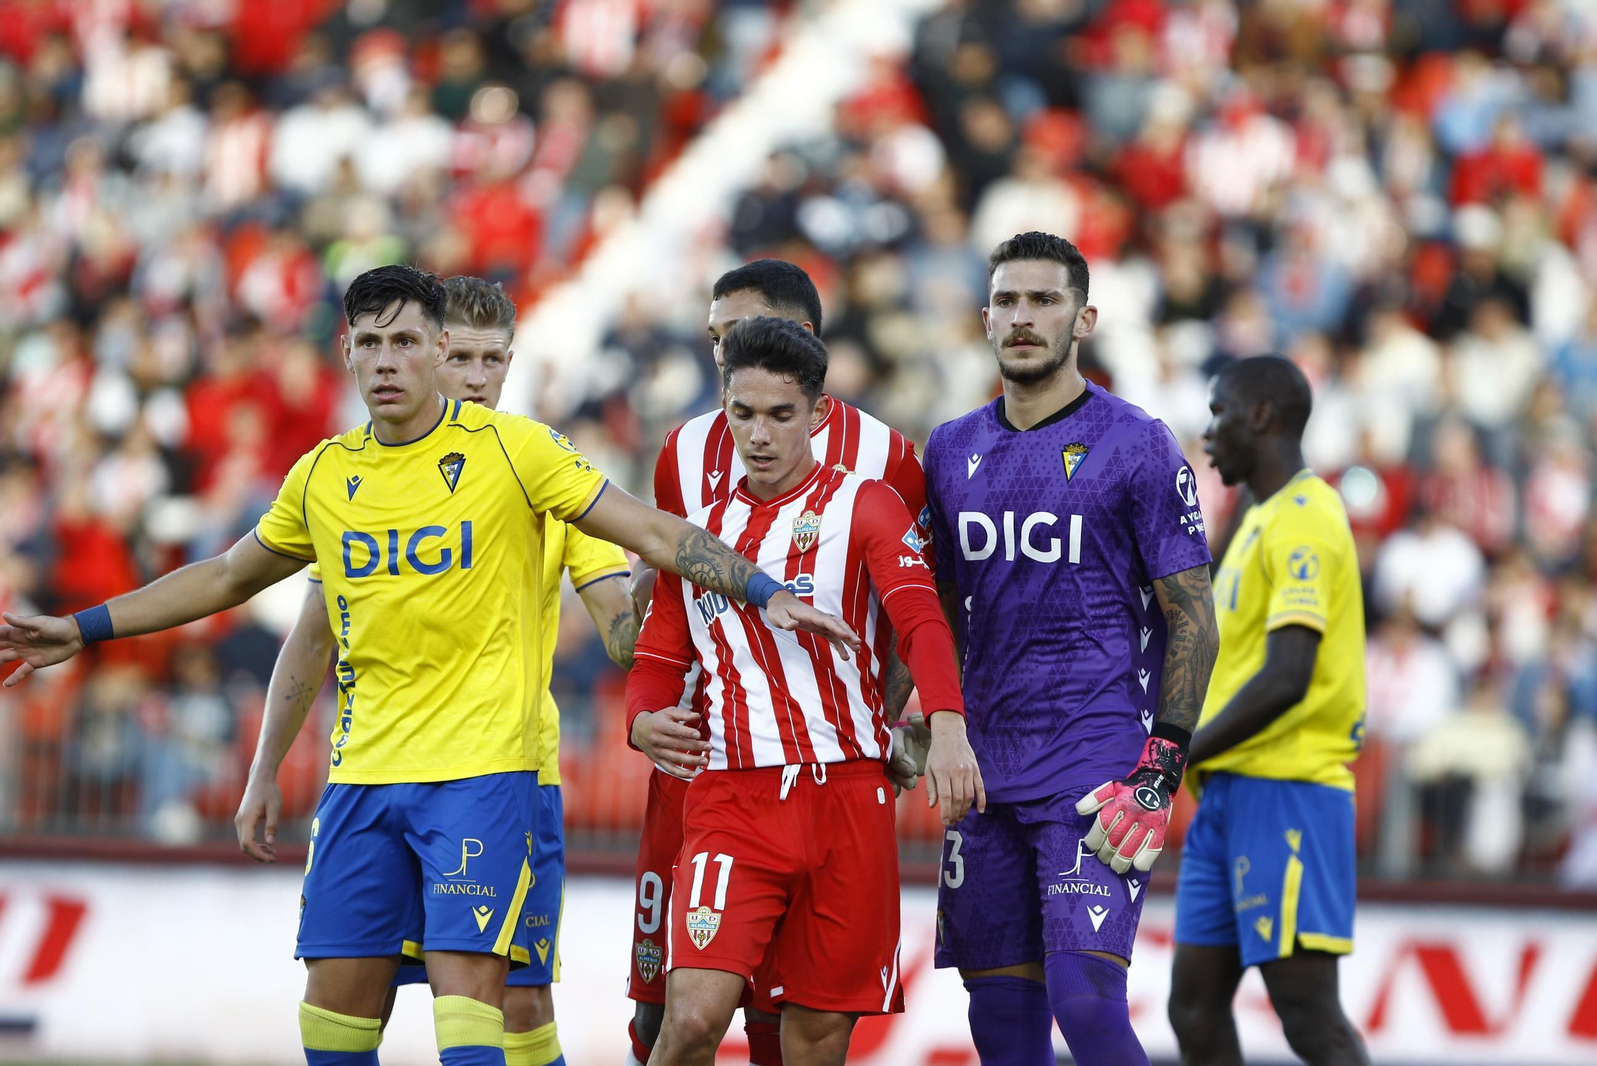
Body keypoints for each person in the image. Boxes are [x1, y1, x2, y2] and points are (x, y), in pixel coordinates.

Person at [0, 265, 858, 1066]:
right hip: (362, 778)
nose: (386, 361)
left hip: (488, 775)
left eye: (405, 342)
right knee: (331, 1017)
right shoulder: (325, 476)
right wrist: (86, 629)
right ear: (345, 353)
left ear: (435, 351)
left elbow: (651, 535)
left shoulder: (520, 453)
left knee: (486, 1010)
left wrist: (755, 587)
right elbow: (232, 579)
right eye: (368, 343)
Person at [233, 275, 633, 1066]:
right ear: (434, 354)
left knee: (517, 1000)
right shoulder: (356, 480)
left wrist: (662, 592)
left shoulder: (539, 468)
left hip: (508, 770)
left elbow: (619, 628)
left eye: (497, 362)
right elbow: (311, 638)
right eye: (466, 359)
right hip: (379, 773)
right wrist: (264, 766)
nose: (480, 379)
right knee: (353, 993)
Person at [625, 316, 984, 1066]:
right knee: (689, 1020)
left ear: (818, 414)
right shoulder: (700, 532)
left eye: (781, 415)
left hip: (847, 797)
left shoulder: (867, 505)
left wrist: (947, 726)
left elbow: (920, 620)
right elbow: (660, 653)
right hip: (730, 800)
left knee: (814, 1041)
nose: (759, 434)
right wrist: (641, 719)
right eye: (743, 413)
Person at [922, 231, 1218, 1066]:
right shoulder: (948, 449)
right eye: (1008, 300)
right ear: (984, 317)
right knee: (1002, 1031)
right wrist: (921, 705)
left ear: (1084, 317)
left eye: (1045, 300)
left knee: (1086, 1006)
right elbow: (934, 601)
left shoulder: (1137, 442)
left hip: (1096, 772)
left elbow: (1194, 615)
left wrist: (1161, 769)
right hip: (984, 774)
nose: (1024, 317)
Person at [1168, 355, 1371, 1066]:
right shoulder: (1260, 514)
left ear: (1261, 416)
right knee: (1192, 1009)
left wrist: (1177, 754)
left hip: (1288, 789)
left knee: (1309, 1016)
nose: (1208, 430)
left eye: (1220, 412)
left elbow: (1288, 676)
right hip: (1229, 793)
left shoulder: (1306, 518)